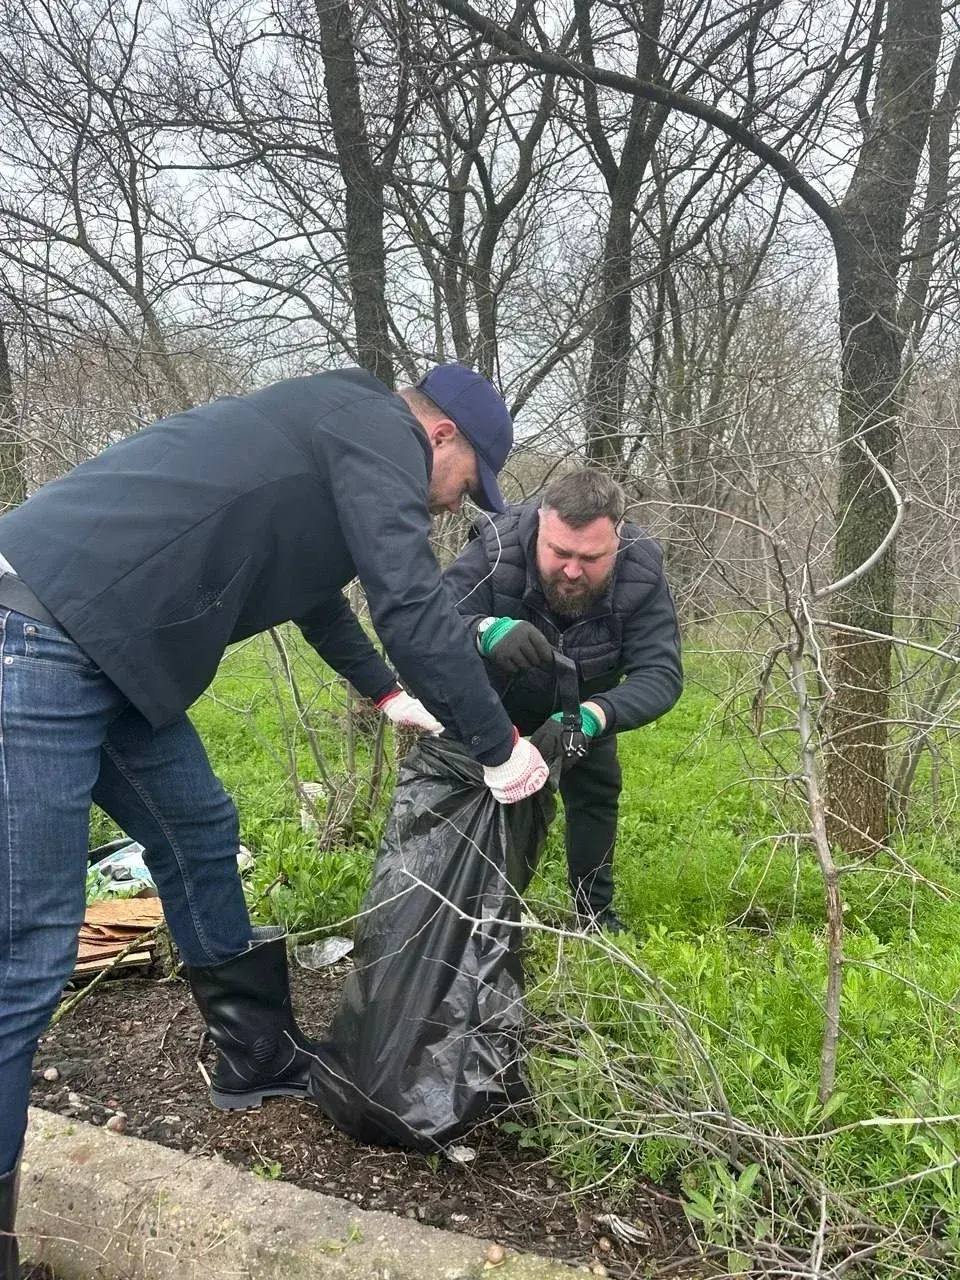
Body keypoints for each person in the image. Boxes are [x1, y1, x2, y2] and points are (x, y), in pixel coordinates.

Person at [0, 362, 550, 1277]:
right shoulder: (375, 427)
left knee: (199, 831)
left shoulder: (334, 435)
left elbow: (312, 592)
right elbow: (408, 600)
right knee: (25, 953)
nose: (460, 505)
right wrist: (498, 747)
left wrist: (382, 692)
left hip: (103, 648)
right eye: (468, 485)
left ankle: (252, 1056)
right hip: (35, 634)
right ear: (442, 435)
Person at [444, 467, 682, 933]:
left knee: (596, 790)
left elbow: (662, 674)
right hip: (493, 701)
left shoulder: (641, 567)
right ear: (541, 524)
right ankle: (467, 912)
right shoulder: (497, 545)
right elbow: (429, 616)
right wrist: (482, 630)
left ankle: (593, 916)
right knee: (473, 798)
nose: (572, 571)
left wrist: (594, 716)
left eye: (591, 558)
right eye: (559, 553)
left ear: (617, 538)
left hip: (582, 700)